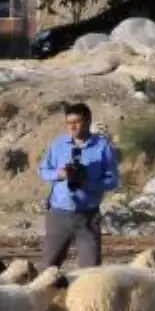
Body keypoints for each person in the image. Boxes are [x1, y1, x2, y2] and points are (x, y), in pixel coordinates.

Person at [37, 102, 120, 269]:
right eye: (69, 123)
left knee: (90, 270)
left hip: (87, 216)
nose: (72, 127)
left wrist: (88, 184)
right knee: (48, 268)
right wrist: (59, 174)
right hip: (59, 214)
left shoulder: (103, 147)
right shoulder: (58, 145)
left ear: (88, 121)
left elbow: (113, 181)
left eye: (77, 122)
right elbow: (43, 170)